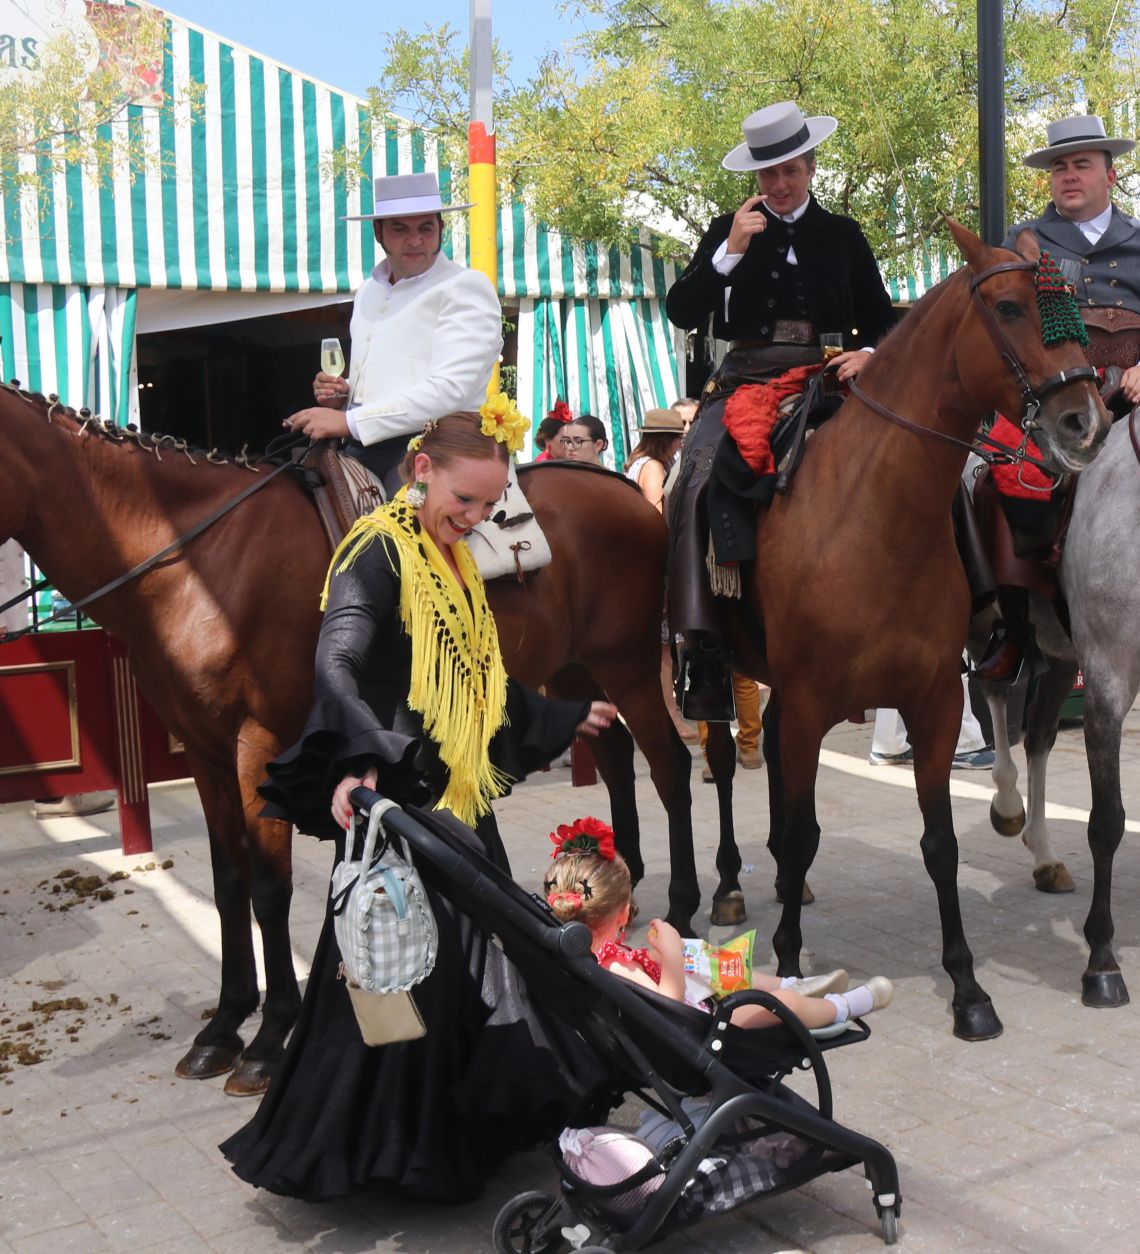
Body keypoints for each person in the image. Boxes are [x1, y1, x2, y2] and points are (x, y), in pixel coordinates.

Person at [221, 410, 621, 1203]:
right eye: (465, 500)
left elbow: (481, 676)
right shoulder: (375, 553)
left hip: (456, 799)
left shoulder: (454, 561)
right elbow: (336, 660)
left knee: (466, 967)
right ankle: (388, 1149)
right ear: (420, 470)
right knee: (397, 978)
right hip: (398, 800)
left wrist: (559, 714)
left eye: (488, 505)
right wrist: (360, 757)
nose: (474, 519)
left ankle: (453, 1132)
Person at [663, 101, 897, 720]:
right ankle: (702, 646)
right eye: (768, 175)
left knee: (908, 468)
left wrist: (868, 352)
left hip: (829, 374)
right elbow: (683, 311)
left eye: (790, 171)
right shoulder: (726, 228)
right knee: (692, 480)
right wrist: (728, 254)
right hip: (744, 375)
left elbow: (880, 316)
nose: (779, 185)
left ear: (811, 167)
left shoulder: (844, 234)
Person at [975, 114, 1140, 680]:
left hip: (1138, 394)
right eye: (1059, 168)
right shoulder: (1025, 241)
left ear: (1110, 175)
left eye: (1081, 165)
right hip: (1056, 402)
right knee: (1001, 478)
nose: (1068, 176)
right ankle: (1017, 627)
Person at [543, 828, 890, 1029]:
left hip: (685, 1018)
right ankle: (842, 1006)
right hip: (698, 1031)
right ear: (622, 913)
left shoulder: (580, 952)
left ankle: (797, 983)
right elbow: (668, 1007)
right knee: (781, 1005)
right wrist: (673, 952)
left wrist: (664, 959)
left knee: (714, 967)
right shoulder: (614, 964)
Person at [285, 172, 500, 487]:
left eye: (425, 228)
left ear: (441, 228)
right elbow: (390, 377)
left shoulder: (465, 286)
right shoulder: (368, 290)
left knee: (393, 533)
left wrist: (348, 421)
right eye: (400, 229)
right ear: (378, 231)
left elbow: (451, 391)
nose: (415, 240)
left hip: (436, 449)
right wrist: (344, 396)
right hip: (361, 445)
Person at [625, 408, 701, 743]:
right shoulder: (655, 468)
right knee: (663, 650)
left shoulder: (636, 464)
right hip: (658, 563)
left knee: (659, 649)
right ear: (668, 439)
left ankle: (660, 714)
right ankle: (668, 715)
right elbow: (659, 514)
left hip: (641, 561)